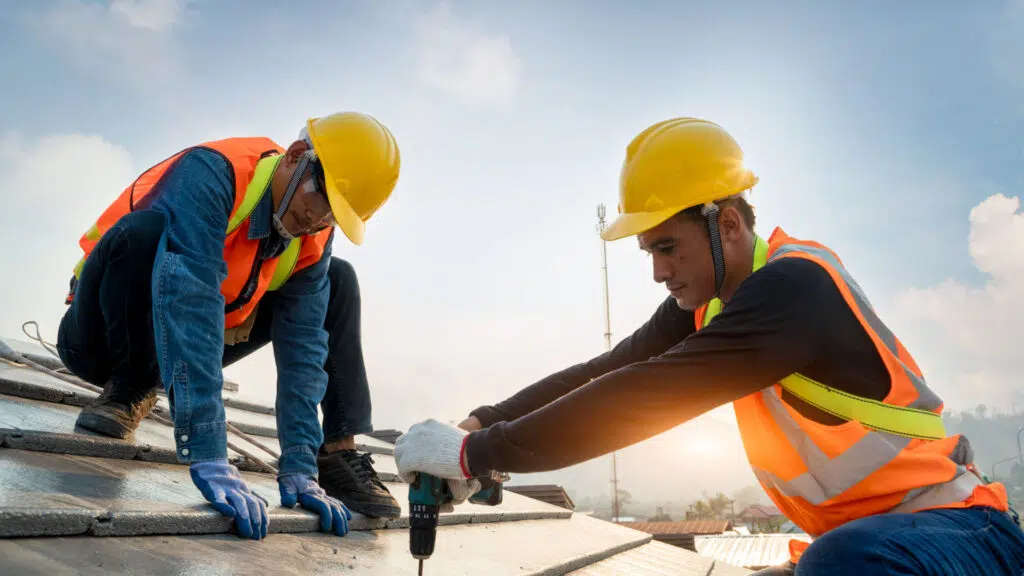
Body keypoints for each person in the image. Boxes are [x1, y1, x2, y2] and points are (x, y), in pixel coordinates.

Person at [393, 117, 1024, 574]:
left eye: (668, 246)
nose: (659, 271)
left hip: (962, 531)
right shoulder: (707, 305)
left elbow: (646, 396)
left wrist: (477, 455)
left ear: (726, 223)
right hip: (882, 540)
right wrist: (476, 425)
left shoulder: (793, 288)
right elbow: (602, 372)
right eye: (649, 252)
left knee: (843, 564)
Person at [56, 111, 403, 541]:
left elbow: (305, 346)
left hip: (177, 348)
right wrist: (207, 447)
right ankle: (128, 387)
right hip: (99, 336)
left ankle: (335, 454)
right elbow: (191, 294)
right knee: (144, 233)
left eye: (335, 215)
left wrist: (299, 460)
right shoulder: (215, 173)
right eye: (323, 198)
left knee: (338, 281)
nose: (319, 219)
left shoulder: (315, 234)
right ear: (296, 157)